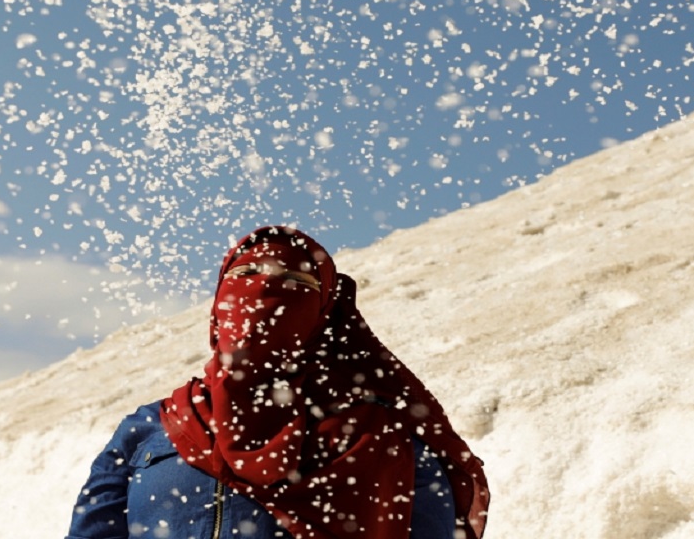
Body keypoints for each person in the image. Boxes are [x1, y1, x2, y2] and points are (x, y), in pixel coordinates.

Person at [65, 225, 490, 539]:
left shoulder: (379, 437)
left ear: (322, 315)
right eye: (247, 272)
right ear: (218, 306)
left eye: (295, 280)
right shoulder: (152, 428)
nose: (265, 286)